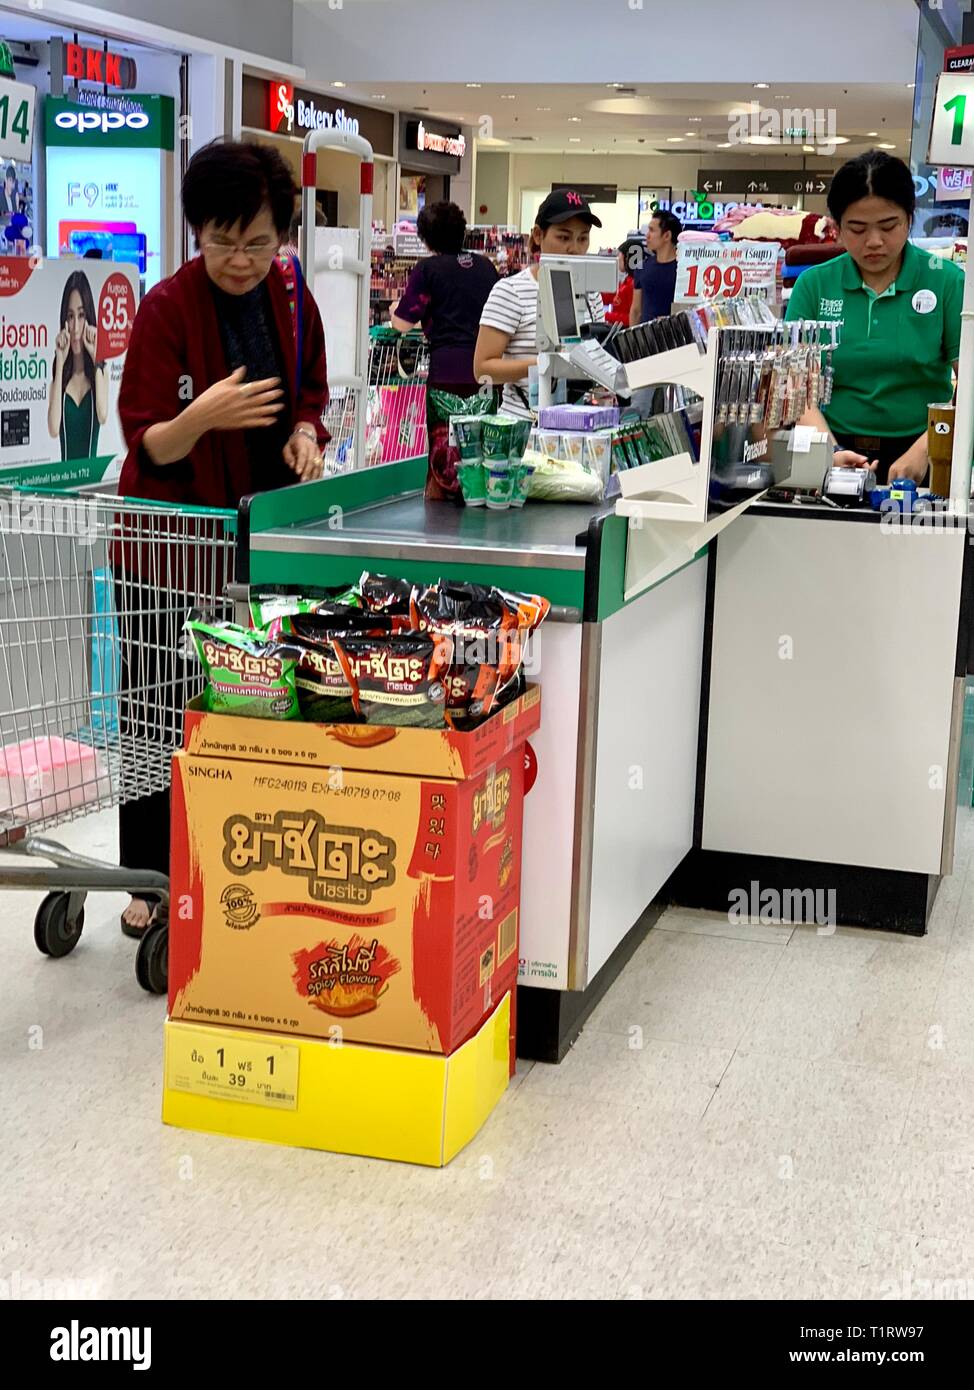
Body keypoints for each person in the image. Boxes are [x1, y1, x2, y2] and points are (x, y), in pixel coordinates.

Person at [116, 139, 329, 937]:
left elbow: (310, 387)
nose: (240, 260)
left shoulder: (288, 292)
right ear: (195, 232)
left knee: (247, 704)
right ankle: (149, 878)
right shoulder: (166, 308)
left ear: (282, 238)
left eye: (257, 241)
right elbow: (149, 443)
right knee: (154, 709)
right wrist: (202, 416)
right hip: (168, 547)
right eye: (221, 240)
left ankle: (238, 867)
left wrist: (307, 433)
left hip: (260, 539)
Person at [786, 150, 963, 484]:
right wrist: (829, 455)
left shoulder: (947, 281)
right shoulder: (814, 285)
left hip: (926, 453)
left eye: (888, 225)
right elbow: (797, 388)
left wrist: (928, 448)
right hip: (834, 450)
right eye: (857, 228)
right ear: (836, 228)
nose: (875, 242)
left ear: (910, 219)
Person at [389, 200, 498, 497]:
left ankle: (439, 518)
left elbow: (402, 323)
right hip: (486, 372)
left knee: (443, 449)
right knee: (480, 446)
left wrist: (393, 311)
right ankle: (481, 498)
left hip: (446, 373)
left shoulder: (428, 270)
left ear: (424, 238)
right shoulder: (486, 267)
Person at [474, 189, 605, 419]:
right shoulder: (510, 291)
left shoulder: (591, 293)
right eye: (563, 237)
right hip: (523, 428)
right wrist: (546, 364)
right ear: (537, 235)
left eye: (582, 238)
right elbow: (483, 370)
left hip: (579, 428)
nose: (574, 248)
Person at [47, 270, 108, 461]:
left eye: (81, 315)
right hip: (64, 482)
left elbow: (102, 414)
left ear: (89, 318)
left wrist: (97, 356)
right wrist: (60, 359)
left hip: (94, 482)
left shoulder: (101, 371)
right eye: (70, 316)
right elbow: (53, 429)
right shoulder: (60, 379)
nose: (74, 328)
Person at [630, 209, 681, 325]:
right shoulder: (641, 267)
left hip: (675, 337)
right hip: (645, 337)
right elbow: (635, 310)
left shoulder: (684, 271)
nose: (647, 235)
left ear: (667, 235)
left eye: (652, 230)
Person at [606, 237, 644, 326]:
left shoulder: (633, 284)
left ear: (627, 258)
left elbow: (631, 318)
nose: (618, 258)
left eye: (620, 255)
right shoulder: (627, 281)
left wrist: (606, 316)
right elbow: (613, 296)